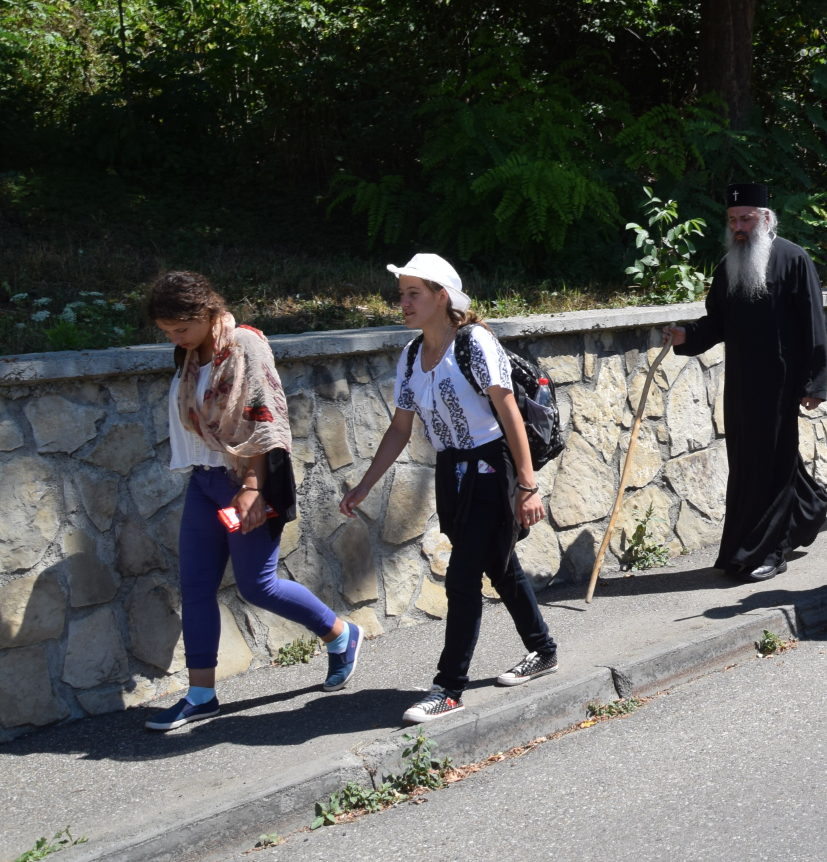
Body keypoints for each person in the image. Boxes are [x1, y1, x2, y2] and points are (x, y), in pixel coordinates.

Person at [343, 254, 559, 725]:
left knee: (462, 577)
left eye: (413, 293)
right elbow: (400, 429)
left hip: (491, 465)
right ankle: (543, 649)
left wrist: (528, 485)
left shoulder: (474, 342)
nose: (403, 303)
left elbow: (509, 413)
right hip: (451, 470)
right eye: (401, 294)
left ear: (442, 296)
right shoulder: (410, 356)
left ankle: (448, 688)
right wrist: (364, 485)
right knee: (499, 564)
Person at [140, 273, 360, 732]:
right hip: (204, 481)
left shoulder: (245, 344)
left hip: (245, 480)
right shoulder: (189, 354)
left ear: (206, 313)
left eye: (181, 329)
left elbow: (267, 417)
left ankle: (340, 634)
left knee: (258, 586)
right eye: (167, 332)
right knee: (195, 588)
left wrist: (254, 488)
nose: (175, 339)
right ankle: (201, 696)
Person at [670, 183, 827, 581]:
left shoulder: (793, 259)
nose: (739, 227)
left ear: (765, 218)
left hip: (781, 383)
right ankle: (807, 510)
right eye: (732, 220)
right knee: (749, 463)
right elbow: (717, 322)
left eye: (746, 218)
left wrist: (813, 383)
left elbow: (814, 323)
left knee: (771, 464)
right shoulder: (729, 265)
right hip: (741, 383)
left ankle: (770, 551)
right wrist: (687, 335)